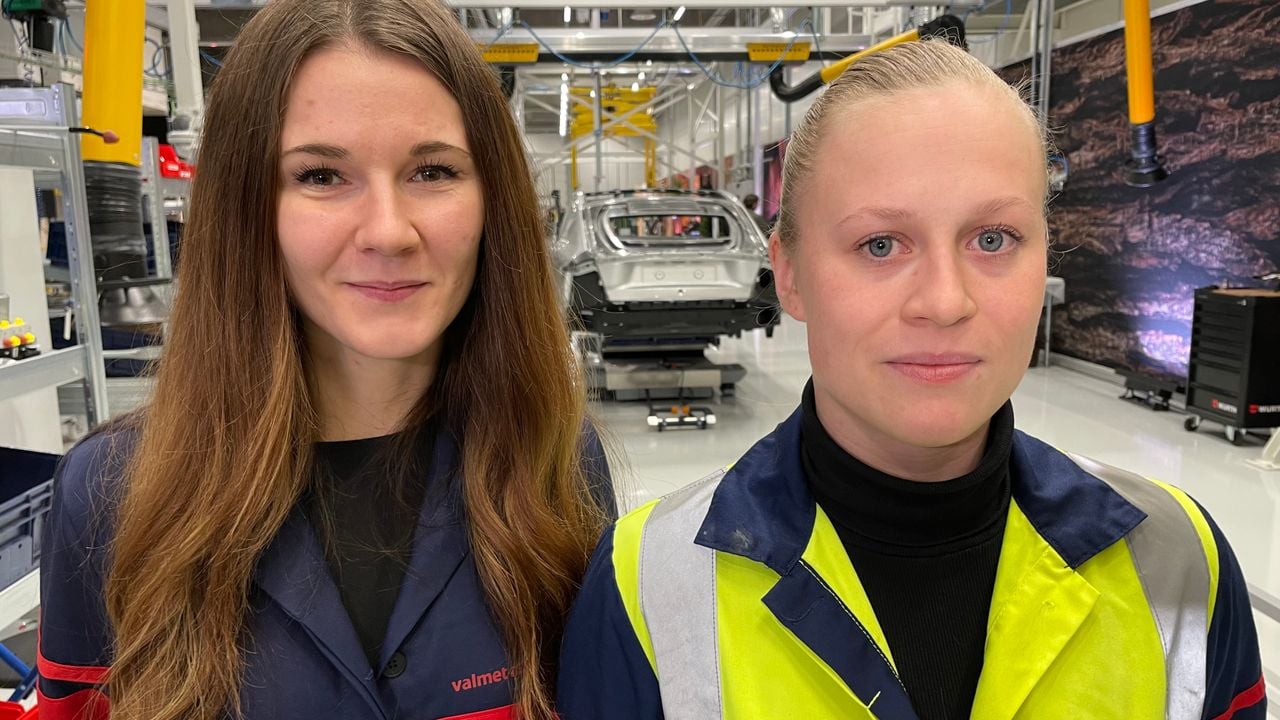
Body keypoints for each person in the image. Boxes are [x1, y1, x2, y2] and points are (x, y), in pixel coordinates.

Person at [558, 40, 1265, 720]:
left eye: (993, 238)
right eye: (880, 245)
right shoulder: (645, 584)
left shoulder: (1179, 562)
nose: (944, 301)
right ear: (792, 275)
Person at [38, 2, 614, 720]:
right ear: (248, 207)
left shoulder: (556, 459)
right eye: (320, 176)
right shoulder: (113, 495)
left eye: (433, 170)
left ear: (492, 199)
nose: (388, 230)